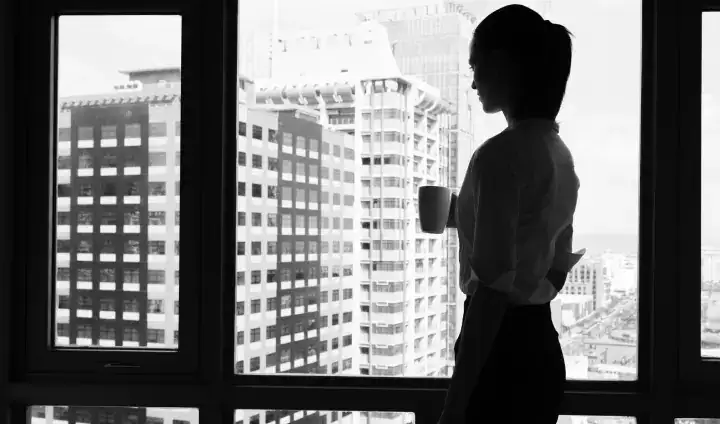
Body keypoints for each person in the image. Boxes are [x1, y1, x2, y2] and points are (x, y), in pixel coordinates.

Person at [434, 4, 584, 424]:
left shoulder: (498, 156)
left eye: (476, 65)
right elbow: (555, 264)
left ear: (504, 65)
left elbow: (492, 293)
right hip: (540, 349)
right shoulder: (560, 156)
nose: (474, 80)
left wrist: (453, 406)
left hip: (501, 359)